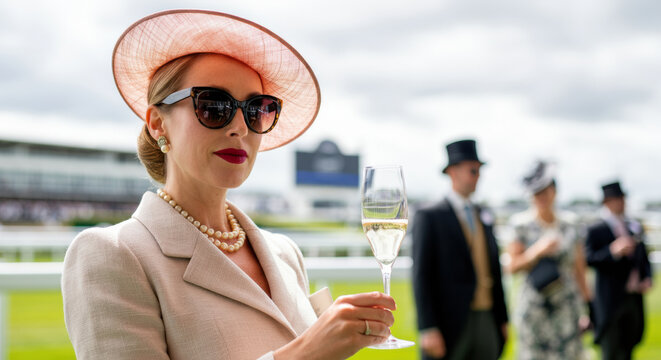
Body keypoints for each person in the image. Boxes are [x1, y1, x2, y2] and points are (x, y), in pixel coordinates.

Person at [61, 10, 396, 360]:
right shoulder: (113, 254)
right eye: (214, 106)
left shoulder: (284, 253)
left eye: (256, 109)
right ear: (158, 123)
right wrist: (307, 352)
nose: (240, 127)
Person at [412, 139, 508, 360]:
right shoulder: (430, 215)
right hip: (450, 320)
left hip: (486, 317)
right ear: (453, 172)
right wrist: (427, 327)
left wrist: (503, 319)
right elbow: (421, 275)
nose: (478, 176)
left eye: (479, 170)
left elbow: (495, 269)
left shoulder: (484, 214)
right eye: (473, 170)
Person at [506, 161, 591, 360]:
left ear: (554, 191)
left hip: (566, 308)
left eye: (545, 191)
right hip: (534, 309)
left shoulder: (571, 224)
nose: (541, 197)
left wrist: (587, 308)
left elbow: (579, 269)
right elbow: (512, 266)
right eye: (536, 193)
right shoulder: (521, 226)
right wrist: (536, 252)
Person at [585, 181, 653, 360]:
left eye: (622, 198)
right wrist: (612, 251)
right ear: (607, 203)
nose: (621, 203)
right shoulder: (596, 228)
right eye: (617, 199)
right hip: (609, 300)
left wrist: (647, 277)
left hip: (633, 296)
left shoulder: (633, 225)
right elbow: (588, 259)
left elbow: (643, 257)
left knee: (629, 345)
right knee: (611, 349)